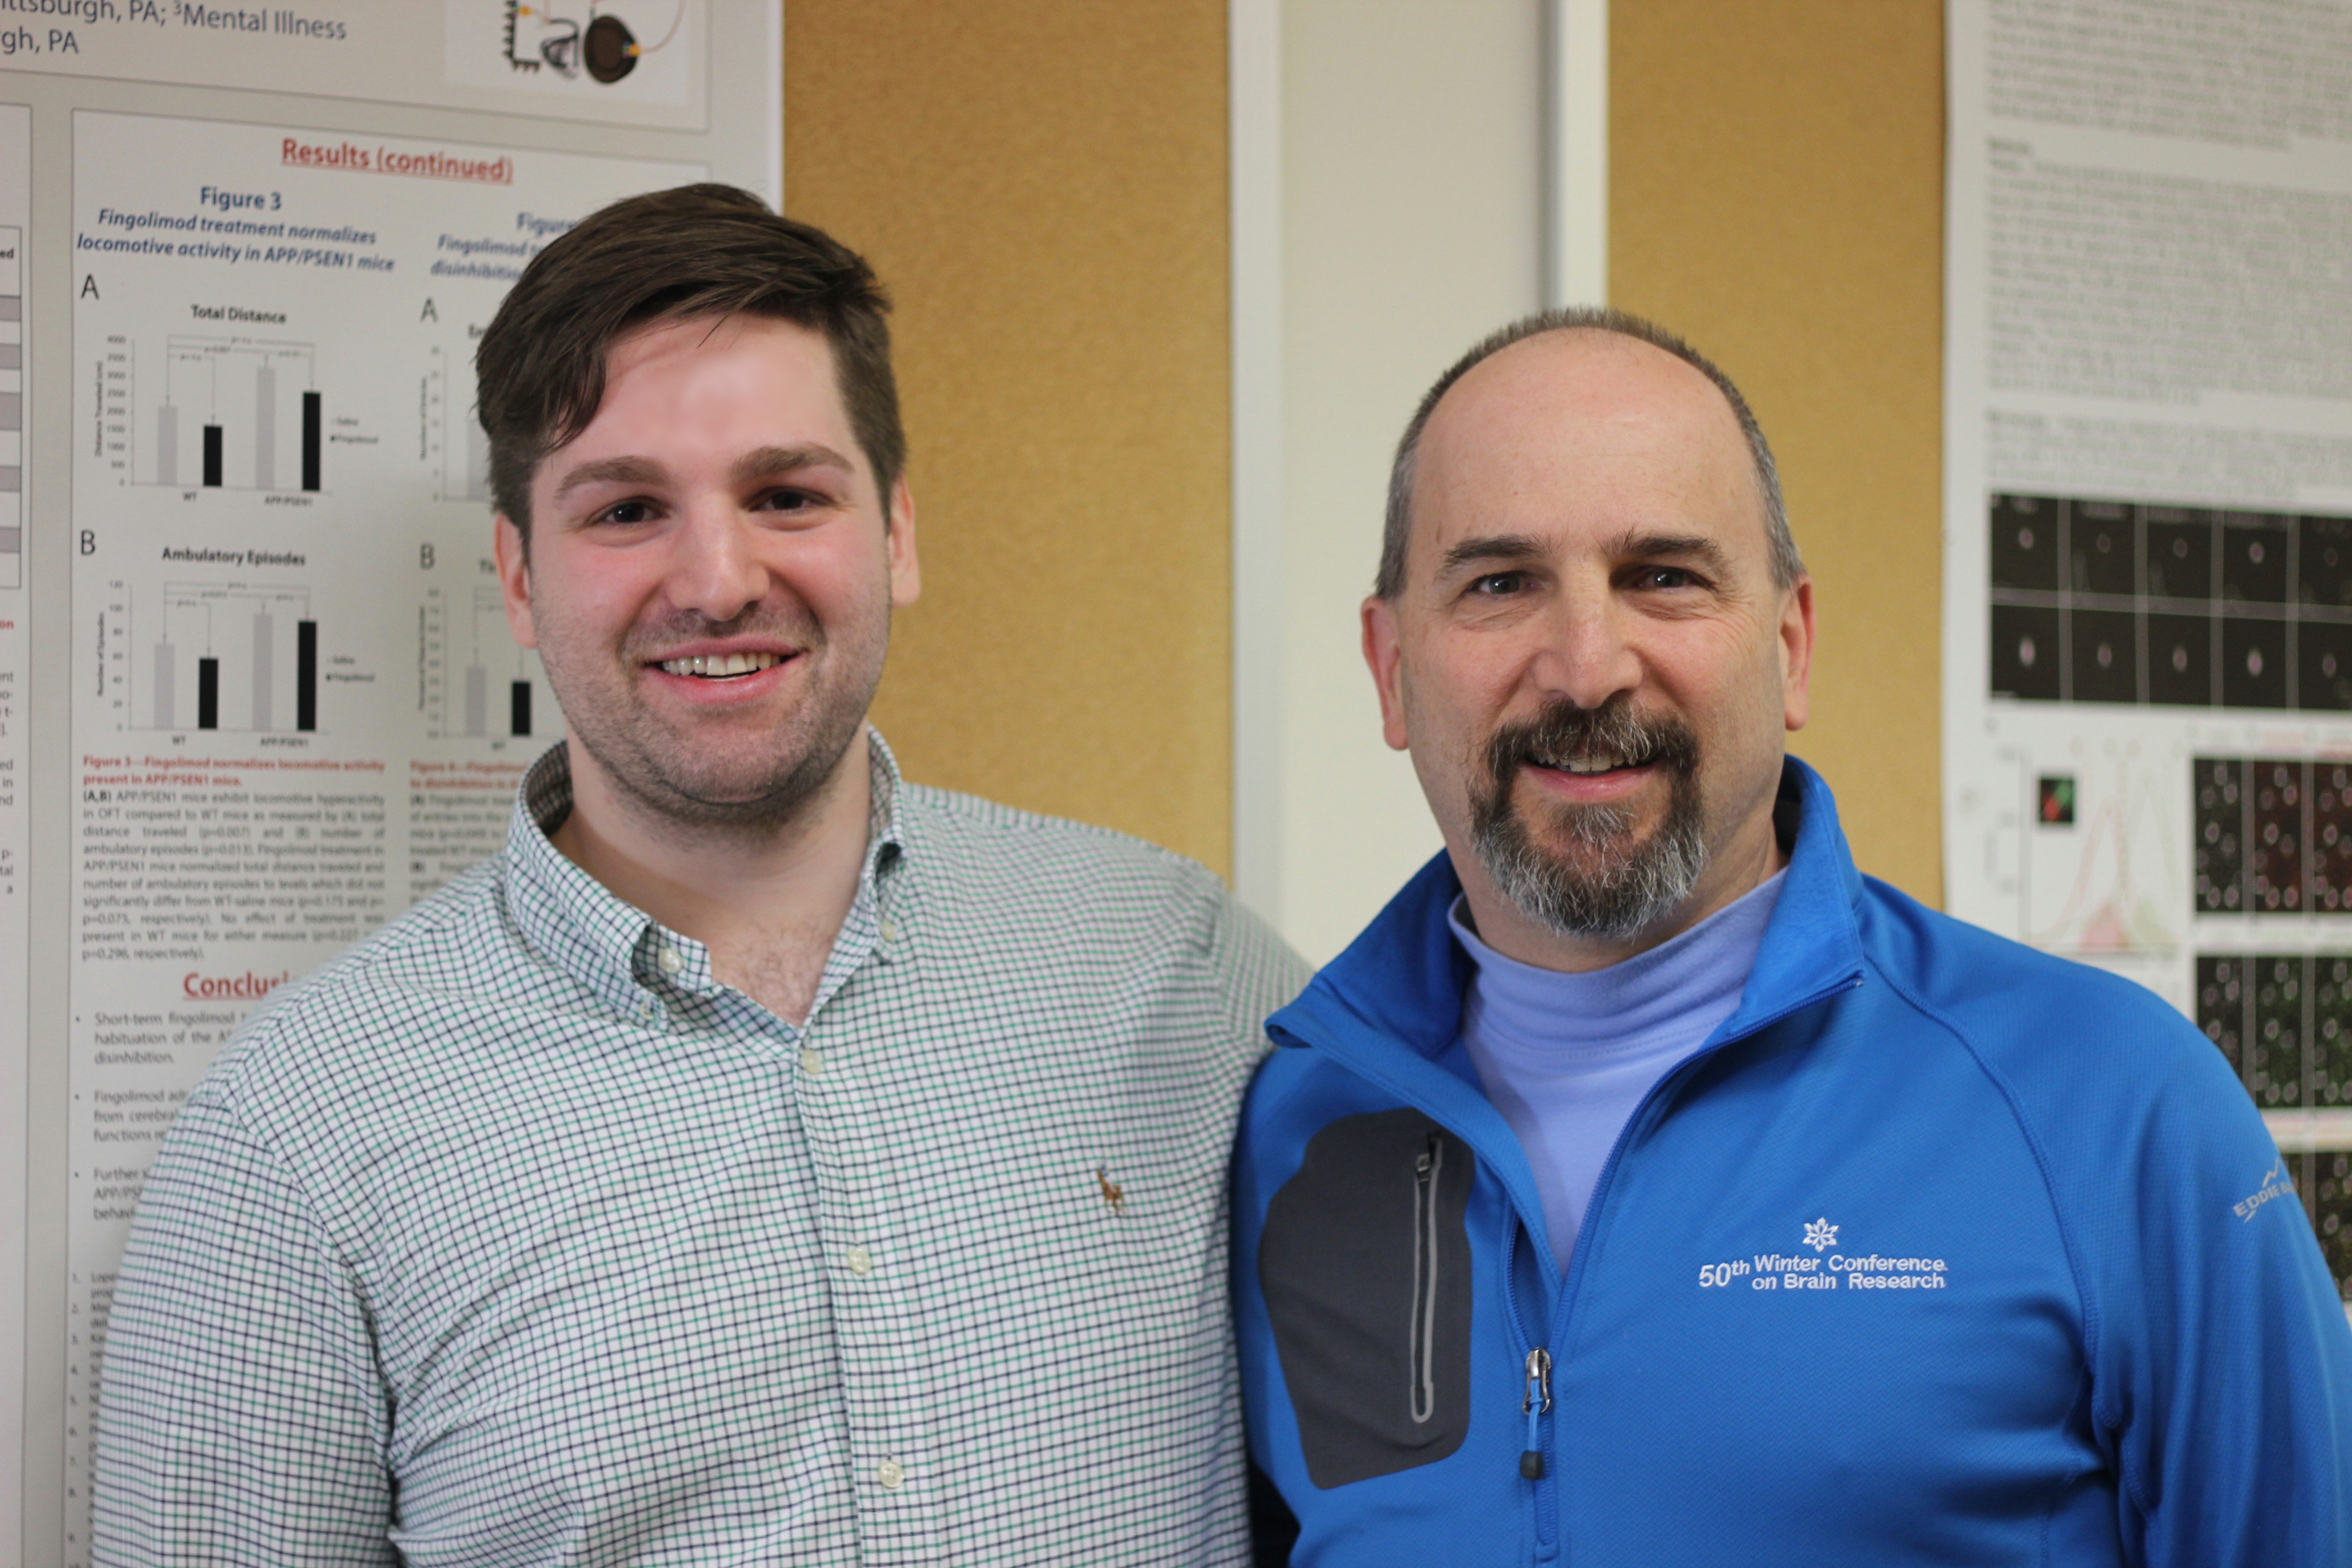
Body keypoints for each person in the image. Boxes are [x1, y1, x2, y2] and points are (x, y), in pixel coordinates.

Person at [95, 184, 1308, 1567]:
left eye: (786, 494)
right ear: (518, 576)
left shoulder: (1174, 959)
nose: (719, 579)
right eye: (626, 511)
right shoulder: (294, 1144)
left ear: (897, 536)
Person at [1233, 309, 2352, 1565]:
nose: (1589, 666)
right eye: (1500, 583)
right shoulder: (1290, 1134)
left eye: (1665, 576)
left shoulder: (2112, 1108)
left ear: (1791, 644)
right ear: (1392, 668)